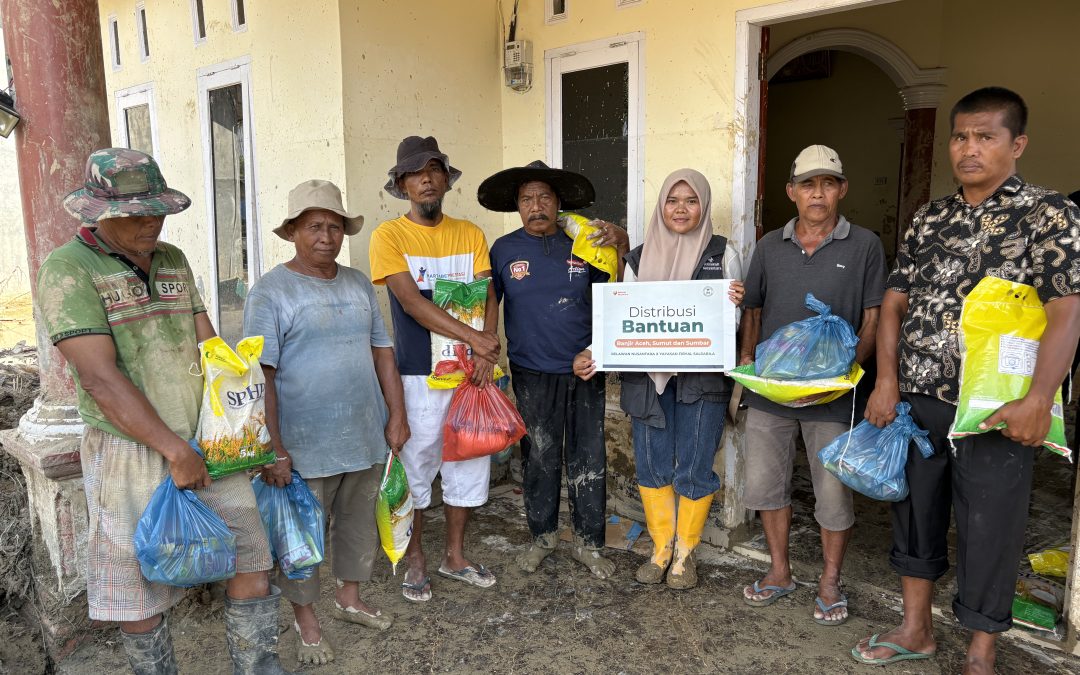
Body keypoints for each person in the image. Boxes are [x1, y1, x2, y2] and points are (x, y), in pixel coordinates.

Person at [852, 88, 1080, 671]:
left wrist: (1039, 398)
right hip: (919, 397)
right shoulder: (931, 217)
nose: (969, 148)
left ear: (1017, 144)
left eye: (985, 136)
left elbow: (1067, 310)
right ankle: (916, 629)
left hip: (996, 408)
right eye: (960, 136)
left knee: (990, 526)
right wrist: (886, 381)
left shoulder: (1049, 214)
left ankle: (981, 652)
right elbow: (895, 302)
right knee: (914, 514)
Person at [36, 149, 288, 674]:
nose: (151, 222)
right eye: (136, 214)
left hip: (207, 440)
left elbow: (209, 347)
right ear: (100, 213)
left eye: (158, 211)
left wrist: (244, 430)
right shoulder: (68, 269)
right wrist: (174, 450)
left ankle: (258, 667)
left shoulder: (172, 259)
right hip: (129, 450)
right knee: (139, 586)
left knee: (251, 558)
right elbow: (99, 378)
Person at [243, 180, 409, 666]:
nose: (326, 237)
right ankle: (306, 620)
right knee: (301, 538)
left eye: (335, 227)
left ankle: (349, 598)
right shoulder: (270, 292)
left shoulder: (357, 284)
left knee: (359, 525)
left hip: (364, 433)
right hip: (303, 444)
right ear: (292, 232)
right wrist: (273, 446)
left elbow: (383, 353)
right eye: (314, 226)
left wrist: (397, 415)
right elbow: (260, 375)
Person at [574, 169, 744, 589]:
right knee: (651, 464)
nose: (681, 209)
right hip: (647, 380)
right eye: (672, 200)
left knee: (695, 465)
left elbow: (734, 321)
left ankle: (685, 554)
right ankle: (660, 548)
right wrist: (593, 353)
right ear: (661, 206)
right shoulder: (637, 259)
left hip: (703, 380)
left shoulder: (723, 253)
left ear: (703, 206)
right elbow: (623, 319)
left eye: (691, 200)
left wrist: (735, 304)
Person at [739, 145, 886, 625]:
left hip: (833, 396)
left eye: (827, 184)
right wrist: (747, 360)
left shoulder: (864, 245)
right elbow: (753, 310)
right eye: (808, 184)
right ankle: (779, 571)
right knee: (765, 485)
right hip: (772, 391)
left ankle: (829, 581)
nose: (817, 194)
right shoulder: (768, 246)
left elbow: (873, 318)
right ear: (791, 192)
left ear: (842, 190)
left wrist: (843, 377)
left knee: (833, 493)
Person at [480, 160, 628, 578]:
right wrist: (485, 349)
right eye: (527, 198)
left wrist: (620, 242)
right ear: (517, 206)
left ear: (558, 202)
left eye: (544, 197)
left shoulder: (584, 244)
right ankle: (542, 538)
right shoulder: (503, 249)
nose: (536, 205)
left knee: (588, 456)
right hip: (531, 371)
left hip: (585, 369)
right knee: (539, 457)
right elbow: (490, 303)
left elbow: (614, 295)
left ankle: (589, 544)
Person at [369, 136, 501, 602]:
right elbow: (410, 302)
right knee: (417, 465)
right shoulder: (389, 236)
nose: (425, 180)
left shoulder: (470, 233)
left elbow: (488, 295)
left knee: (468, 462)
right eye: (414, 174)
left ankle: (455, 556)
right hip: (417, 374)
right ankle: (416, 559)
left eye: (433, 170)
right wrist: (477, 341)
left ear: (446, 179)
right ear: (402, 185)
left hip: (470, 375)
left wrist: (485, 351)